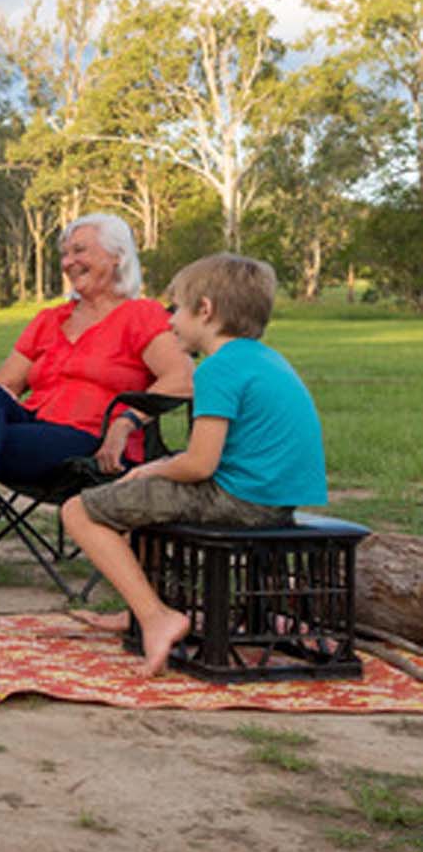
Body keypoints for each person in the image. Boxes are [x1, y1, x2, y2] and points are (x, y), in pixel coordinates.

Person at [0, 212, 194, 603]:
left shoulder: (139, 315)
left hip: (90, 440)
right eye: (64, 253)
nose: (68, 262)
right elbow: (7, 384)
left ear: (117, 257)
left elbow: (181, 380)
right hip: (35, 425)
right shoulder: (50, 320)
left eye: (80, 250)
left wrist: (127, 421)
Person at [65, 254, 328, 674]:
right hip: (277, 502)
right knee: (135, 504)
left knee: (78, 510)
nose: (169, 321)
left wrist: (150, 468)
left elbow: (200, 465)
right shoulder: (268, 360)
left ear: (205, 310)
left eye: (176, 309)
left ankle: (156, 617)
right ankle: (140, 609)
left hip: (239, 500)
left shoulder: (217, 370)